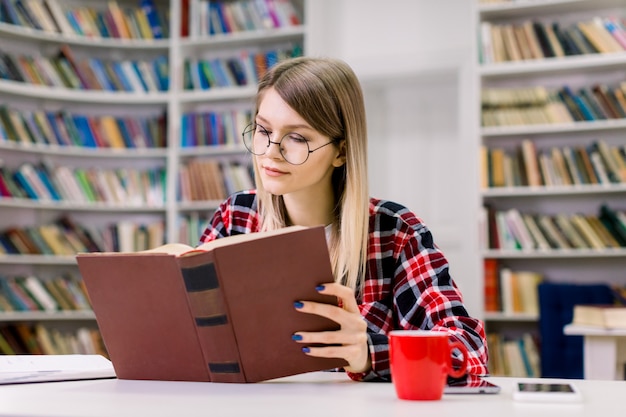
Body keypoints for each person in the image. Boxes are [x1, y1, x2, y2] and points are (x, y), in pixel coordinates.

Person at [199, 56, 489, 381]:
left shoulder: (395, 232)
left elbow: (467, 353)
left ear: (340, 152)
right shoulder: (236, 217)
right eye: (264, 130)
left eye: (297, 138)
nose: (270, 151)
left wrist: (368, 353)